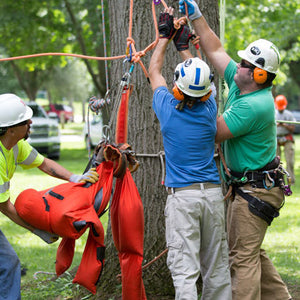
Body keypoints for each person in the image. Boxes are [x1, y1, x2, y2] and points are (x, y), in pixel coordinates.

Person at [178, 1, 292, 299]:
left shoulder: (253, 106)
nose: (237, 64)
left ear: (258, 75)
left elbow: (212, 132)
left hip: (255, 192)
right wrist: (196, 16)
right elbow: (215, 50)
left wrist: (192, 74)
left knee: (241, 259)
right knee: (250, 252)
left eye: (245, 64)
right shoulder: (241, 85)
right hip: (252, 188)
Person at [148, 7, 232, 300]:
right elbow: (200, 76)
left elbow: (154, 70)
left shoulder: (167, 109)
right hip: (211, 196)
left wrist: (164, 37)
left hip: (183, 199)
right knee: (217, 267)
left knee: (185, 270)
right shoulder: (210, 110)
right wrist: (184, 46)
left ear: (178, 91)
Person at [0, 93, 99, 300]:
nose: (30, 123)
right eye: (25, 121)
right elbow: (4, 206)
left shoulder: (16, 145)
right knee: (8, 264)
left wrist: (74, 177)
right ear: (10, 129)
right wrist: (38, 231)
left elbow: (44, 163)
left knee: (8, 264)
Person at [275, 94, 296, 184]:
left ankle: (291, 180)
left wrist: (285, 125)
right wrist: (277, 125)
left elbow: (293, 128)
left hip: (287, 137)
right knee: (276, 161)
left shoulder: (289, 114)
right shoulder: (273, 114)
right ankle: (278, 179)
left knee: (290, 160)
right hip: (276, 138)